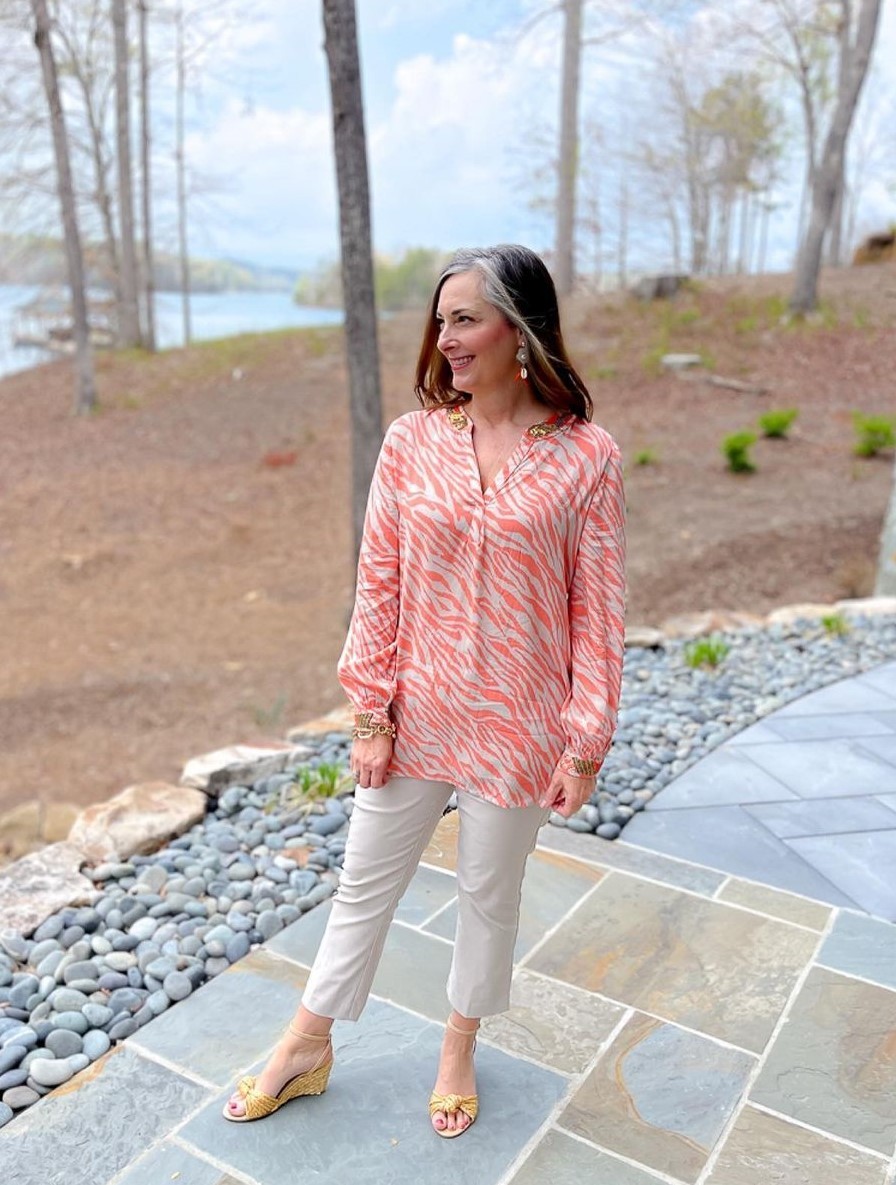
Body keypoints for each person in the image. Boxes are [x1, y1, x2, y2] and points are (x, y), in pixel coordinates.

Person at [223, 243, 626, 1138]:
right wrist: (370, 711)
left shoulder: (587, 459)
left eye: (464, 319)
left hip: (520, 724)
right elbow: (379, 583)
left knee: (489, 891)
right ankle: (304, 1042)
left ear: (519, 331)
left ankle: (457, 1044)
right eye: (440, 320)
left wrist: (585, 739)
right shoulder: (411, 443)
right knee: (365, 881)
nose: (444, 338)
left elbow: (598, 614)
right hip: (416, 712)